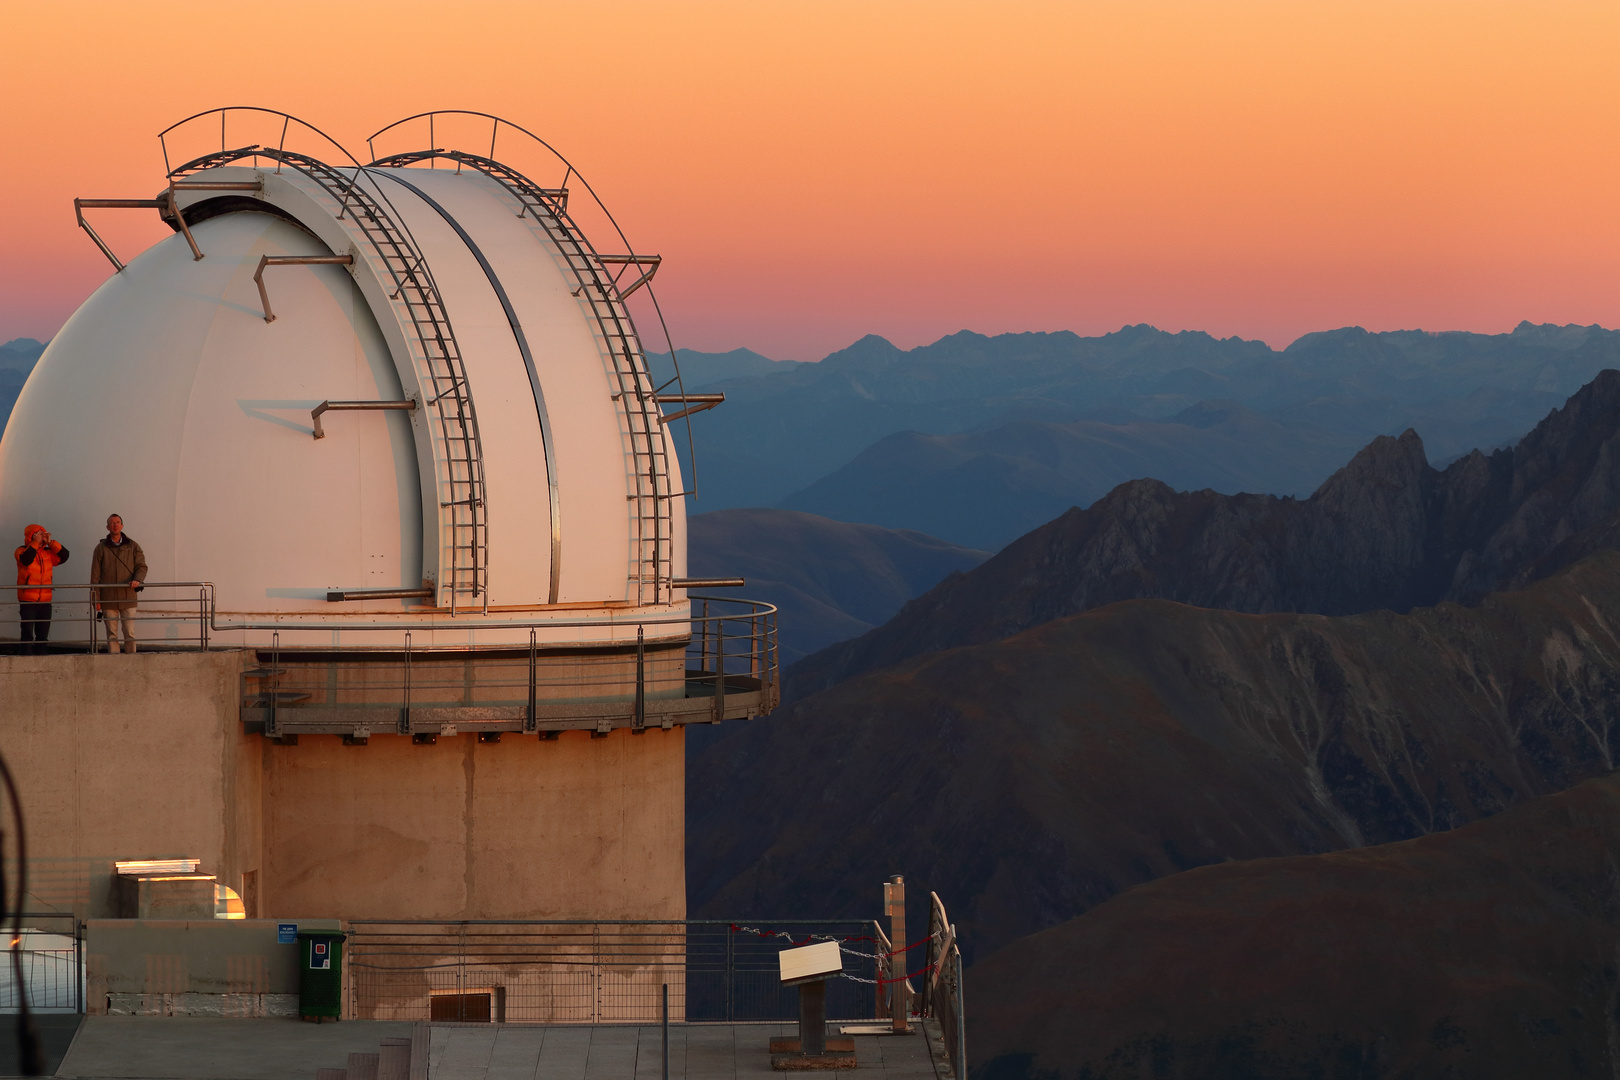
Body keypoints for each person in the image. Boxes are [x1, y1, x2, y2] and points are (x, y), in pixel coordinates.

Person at [91, 514, 146, 654]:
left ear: (122, 525)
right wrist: (95, 598)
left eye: (118, 522)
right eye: (112, 523)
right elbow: (95, 575)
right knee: (111, 634)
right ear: (108, 527)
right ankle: (114, 662)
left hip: (128, 597)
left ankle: (131, 660)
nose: (115, 525)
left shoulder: (133, 546)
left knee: (129, 632)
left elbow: (141, 566)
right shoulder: (101, 548)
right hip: (108, 598)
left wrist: (138, 580)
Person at [14, 524, 69, 653]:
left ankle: (41, 658)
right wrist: (34, 542)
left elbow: (64, 556)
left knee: (43, 634)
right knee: (27, 633)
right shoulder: (21, 550)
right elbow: (26, 560)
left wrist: (51, 543)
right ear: (30, 536)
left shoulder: (47, 553)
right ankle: (26, 657)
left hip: (45, 600)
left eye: (41, 533)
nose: (40, 536)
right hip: (28, 599)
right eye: (37, 534)